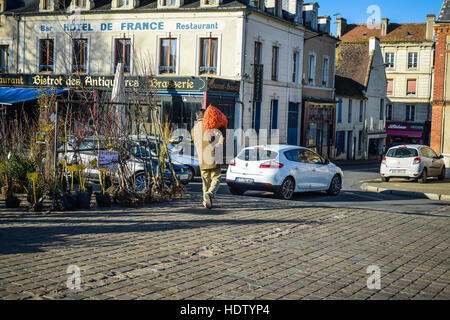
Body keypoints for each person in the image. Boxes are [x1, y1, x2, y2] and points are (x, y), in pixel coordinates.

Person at [191, 109, 225, 209]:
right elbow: (221, 135)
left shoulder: (193, 129)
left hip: (202, 158)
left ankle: (206, 201)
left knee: (205, 180)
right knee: (217, 177)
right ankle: (210, 193)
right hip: (213, 156)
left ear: (197, 118)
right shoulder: (210, 125)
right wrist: (220, 143)